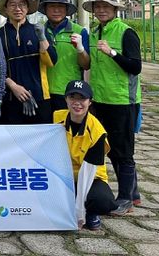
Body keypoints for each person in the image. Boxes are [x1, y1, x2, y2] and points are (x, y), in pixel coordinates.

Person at [83, 0, 142, 209]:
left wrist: (113, 53)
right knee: (110, 149)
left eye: (106, 6)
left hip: (122, 100)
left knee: (123, 151)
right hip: (100, 100)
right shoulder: (94, 32)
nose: (101, 10)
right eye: (97, 6)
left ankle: (125, 198)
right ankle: (133, 193)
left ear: (115, 9)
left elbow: (135, 66)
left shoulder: (126, 32)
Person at [54, 79, 132, 231]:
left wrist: (80, 214)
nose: (77, 103)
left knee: (103, 201)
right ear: (66, 99)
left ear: (89, 102)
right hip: (62, 176)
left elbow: (87, 172)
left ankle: (90, 212)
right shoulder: (55, 117)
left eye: (82, 98)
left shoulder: (97, 131)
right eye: (72, 97)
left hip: (89, 178)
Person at [0, 0, 57, 124]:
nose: (17, 8)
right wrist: (13, 86)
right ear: (6, 9)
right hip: (10, 97)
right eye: (12, 5)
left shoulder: (38, 31)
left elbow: (51, 61)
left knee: (41, 135)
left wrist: (42, 38)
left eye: (22, 4)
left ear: (28, 8)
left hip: (39, 96)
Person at [40, 0, 90, 112]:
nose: (56, 10)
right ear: (45, 9)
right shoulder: (39, 31)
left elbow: (86, 65)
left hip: (70, 93)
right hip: (43, 92)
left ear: (67, 10)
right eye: (52, 6)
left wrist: (80, 49)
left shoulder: (79, 31)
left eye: (61, 7)